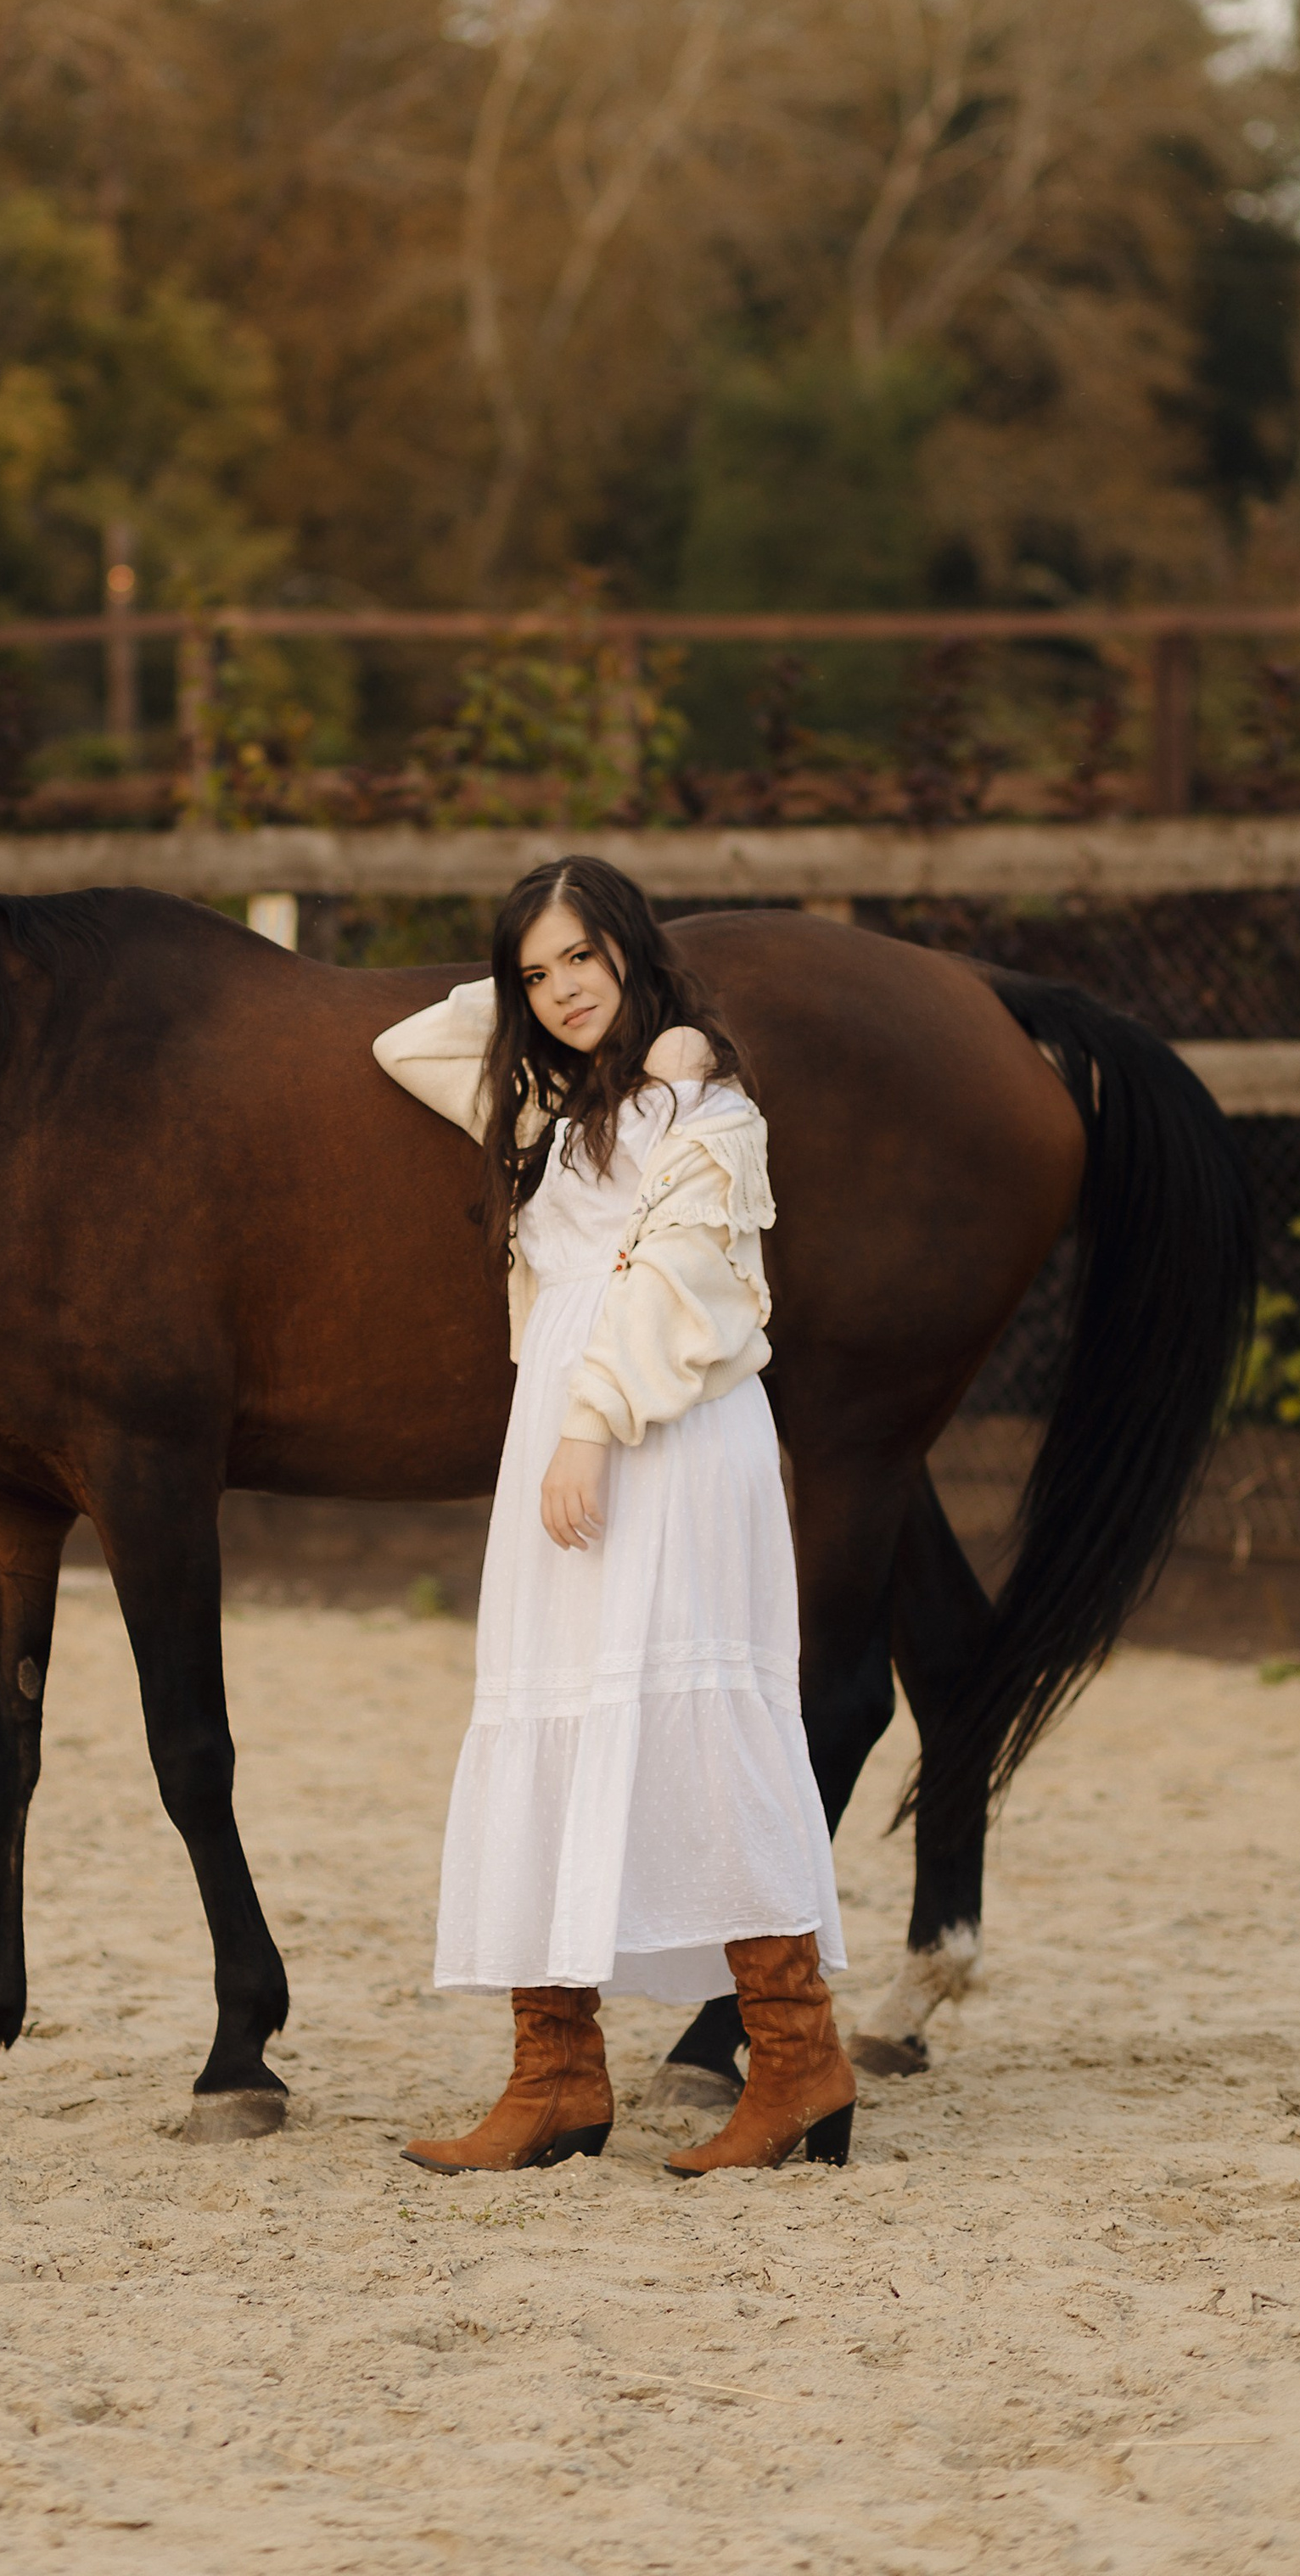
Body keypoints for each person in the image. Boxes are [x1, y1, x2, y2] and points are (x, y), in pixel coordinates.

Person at [377, 858, 853, 2179]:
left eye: (584, 956)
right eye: (537, 971)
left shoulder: (706, 1101)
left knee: (698, 1727)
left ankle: (799, 2058)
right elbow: (404, 1037)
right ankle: (557, 2078)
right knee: (553, 1706)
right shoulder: (540, 1098)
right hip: (566, 1426)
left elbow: (681, 1283)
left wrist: (588, 1430)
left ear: (635, 949)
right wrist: (540, 1008)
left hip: (665, 1428)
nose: (561, 989)